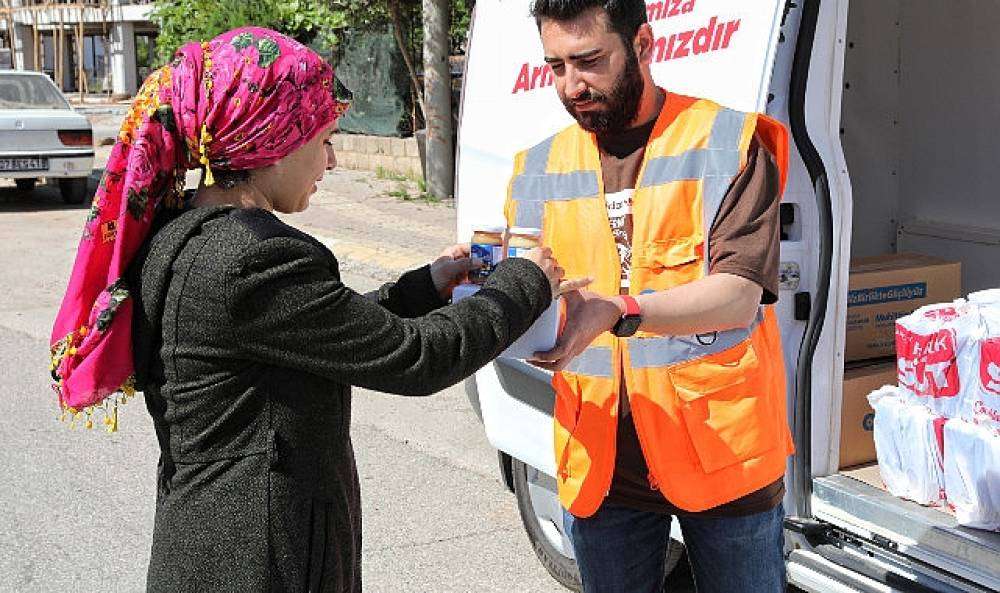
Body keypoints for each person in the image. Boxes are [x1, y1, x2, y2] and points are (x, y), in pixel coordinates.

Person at [49, 27, 566, 593]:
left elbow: (315, 333)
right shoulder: (253, 257)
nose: (333, 159)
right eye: (323, 138)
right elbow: (416, 359)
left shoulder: (185, 238)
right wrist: (525, 282)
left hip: (210, 546)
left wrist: (426, 287)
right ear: (275, 139)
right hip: (260, 559)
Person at [506, 2, 795, 592]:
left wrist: (619, 311)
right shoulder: (536, 167)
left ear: (642, 43)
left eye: (589, 61)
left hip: (721, 450)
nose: (571, 85)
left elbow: (739, 296)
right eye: (555, 66)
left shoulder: (728, 141)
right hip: (600, 460)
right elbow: (528, 288)